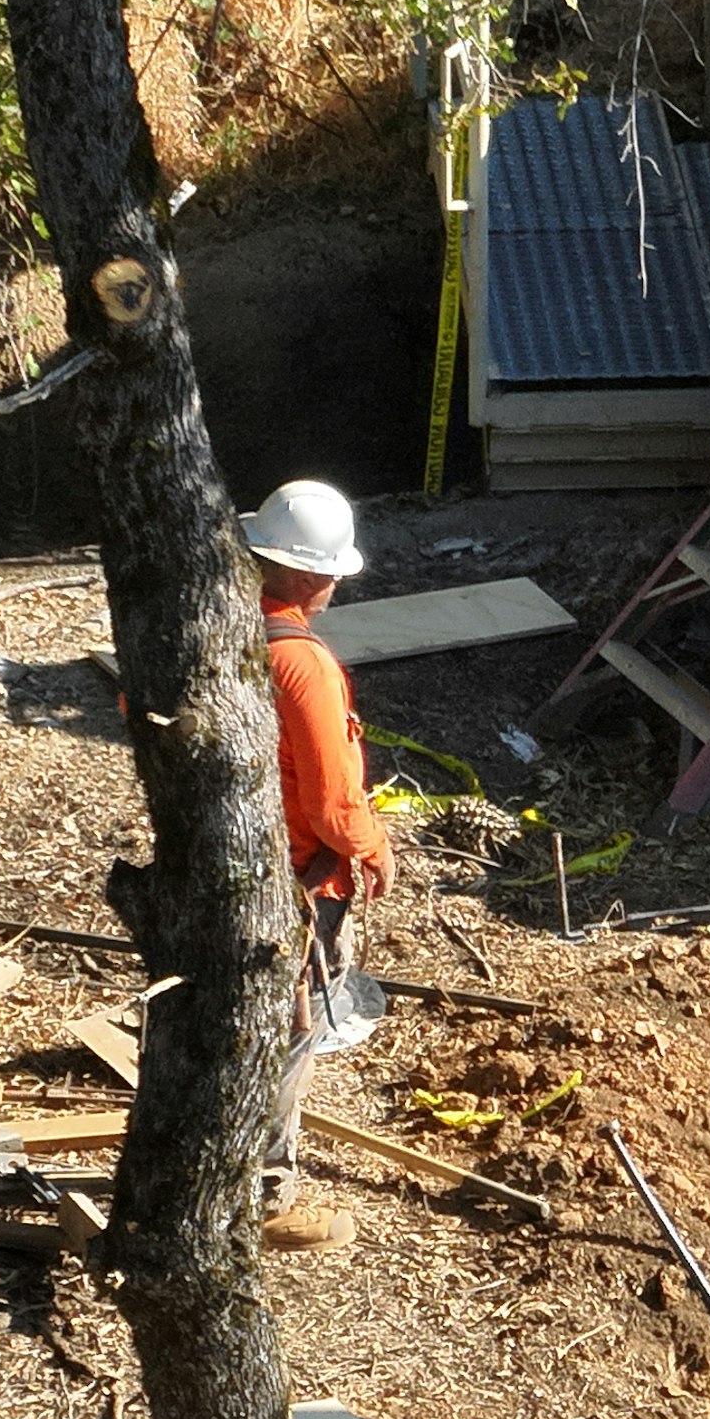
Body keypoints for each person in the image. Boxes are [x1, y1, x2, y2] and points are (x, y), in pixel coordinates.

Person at [241, 479, 390, 1249]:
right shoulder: (302, 663)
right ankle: (267, 1192)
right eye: (332, 572)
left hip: (229, 866)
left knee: (241, 1018)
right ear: (303, 577)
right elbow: (333, 799)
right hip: (298, 877)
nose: (337, 584)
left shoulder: (220, 636)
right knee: (291, 1027)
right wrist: (371, 844)